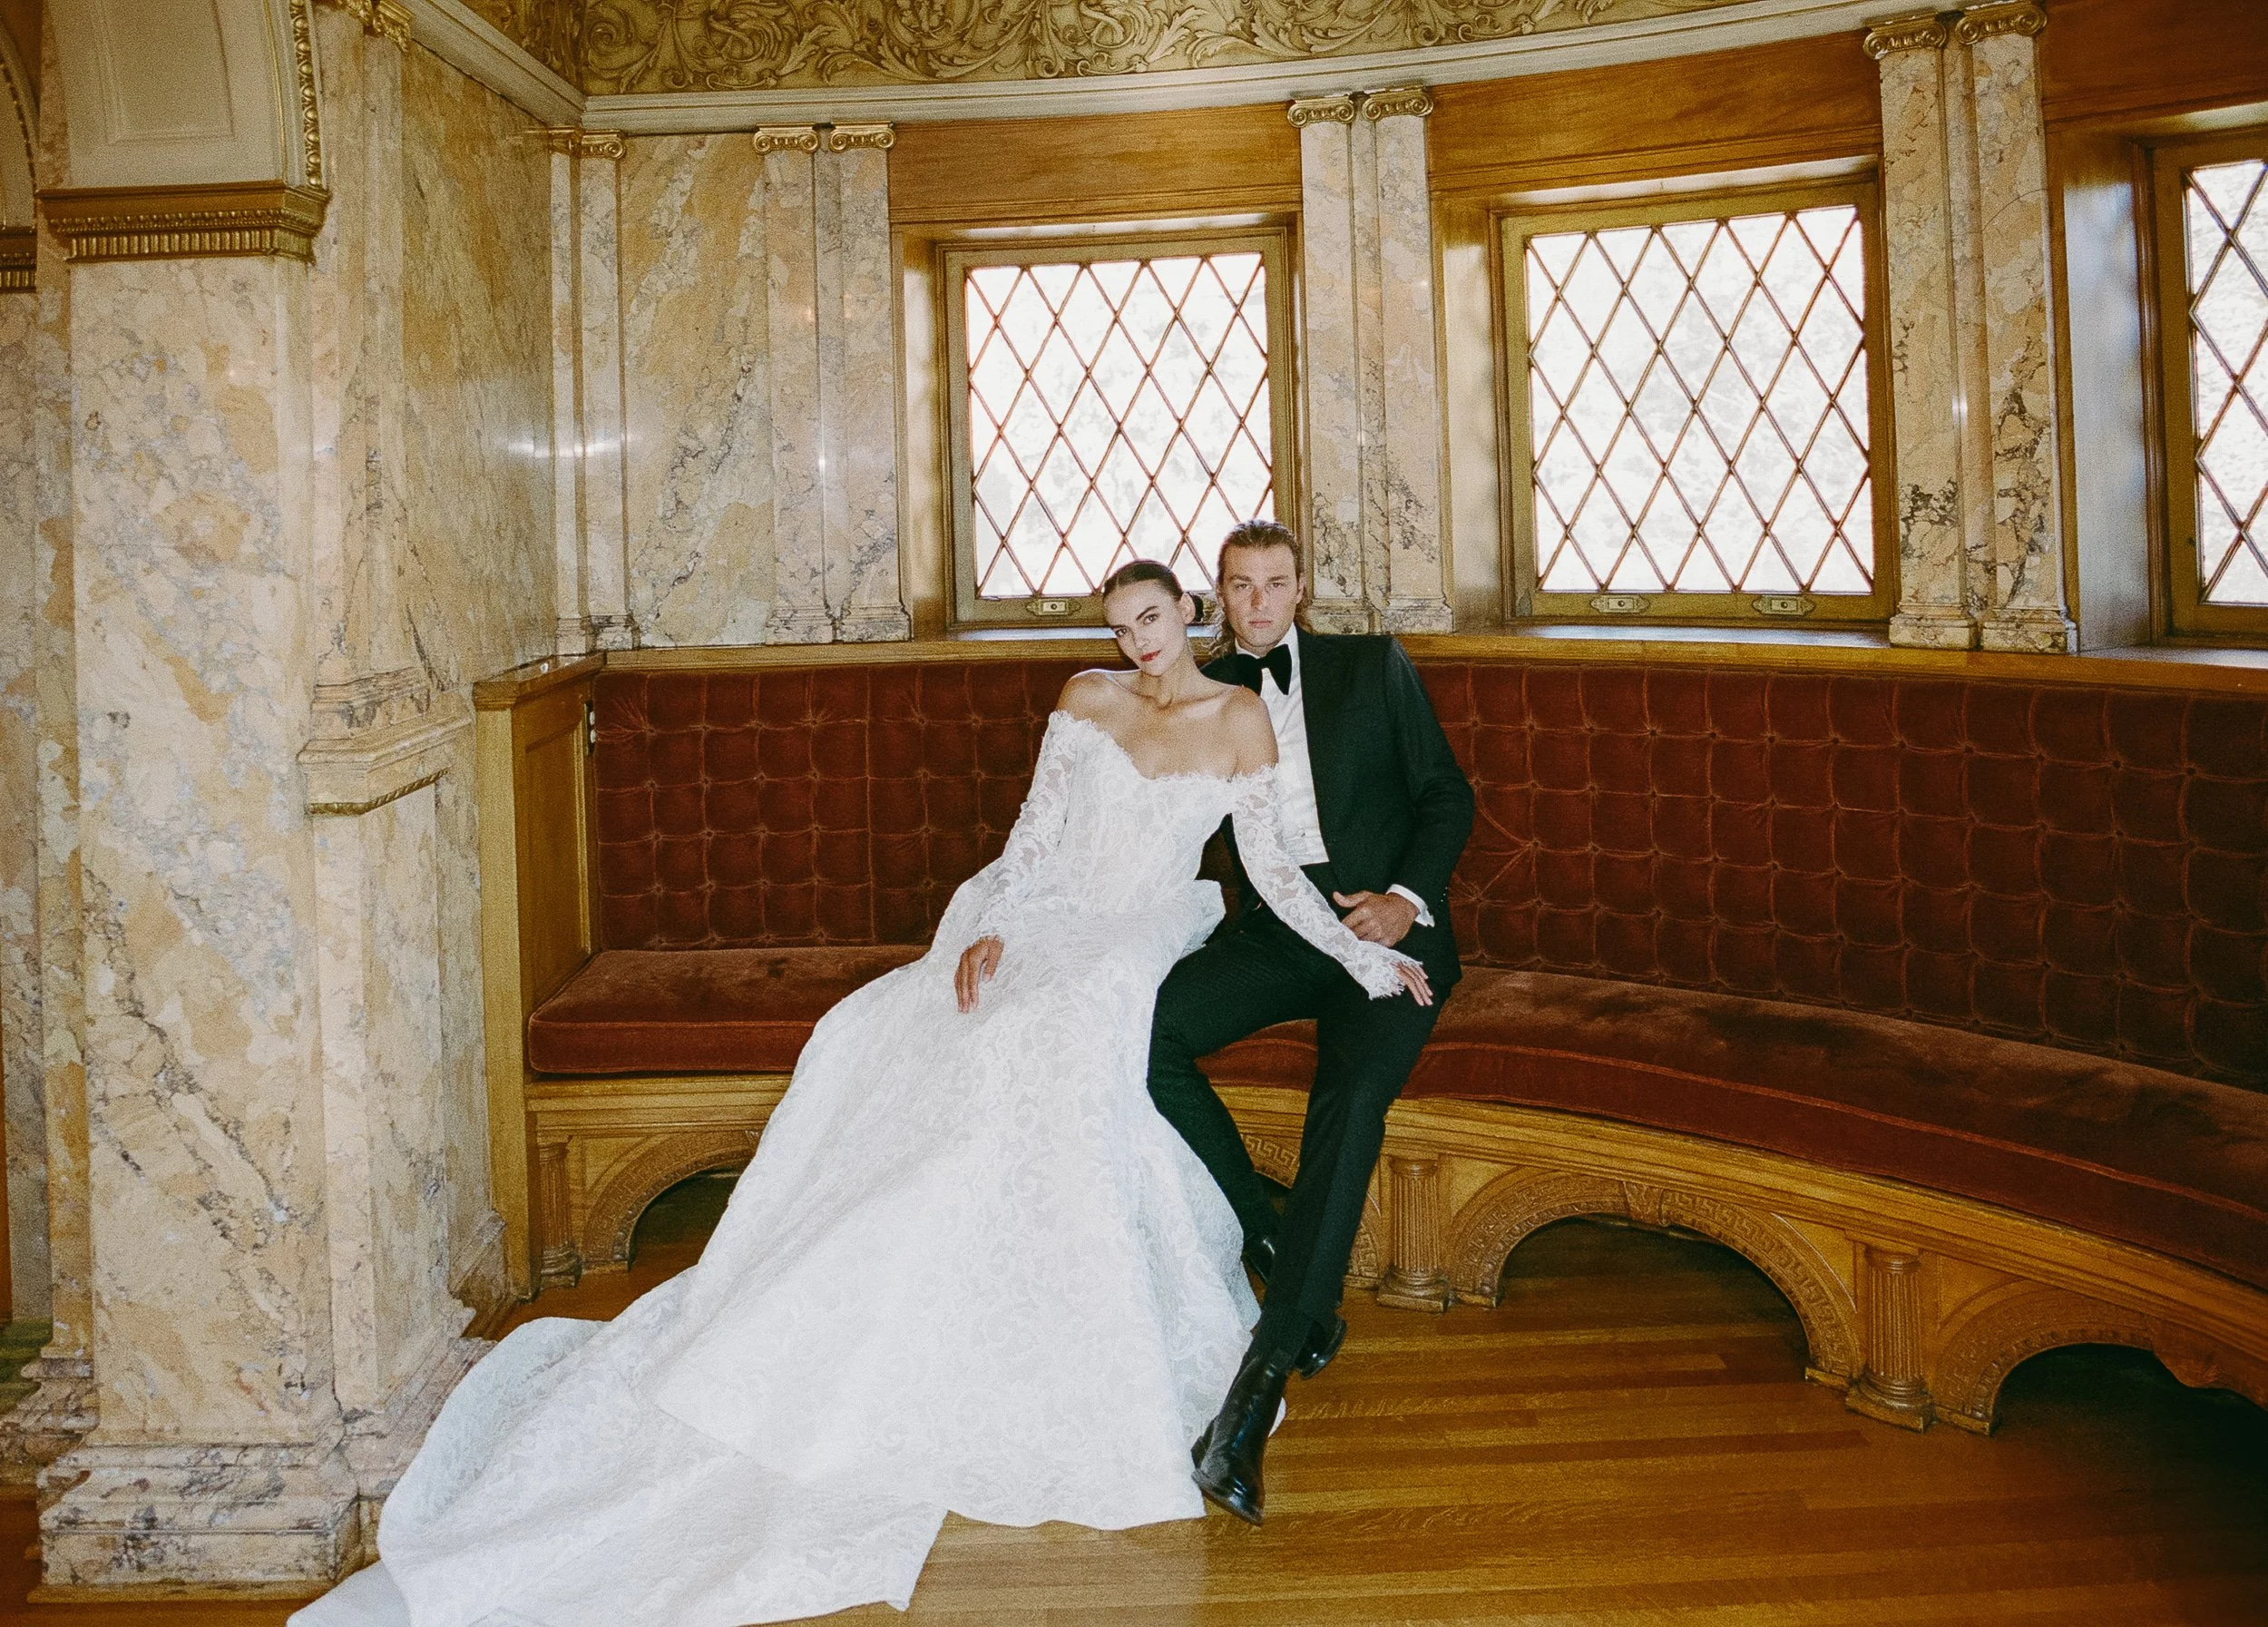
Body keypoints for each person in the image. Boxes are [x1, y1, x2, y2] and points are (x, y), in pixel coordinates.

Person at [290, 559, 1427, 1627]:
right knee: (891, 1027)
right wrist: (987, 930)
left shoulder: (1239, 719)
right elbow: (1032, 843)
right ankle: (866, 1257)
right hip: (1044, 913)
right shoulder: (1084, 701)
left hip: (1135, 928)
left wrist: (1372, 954)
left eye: (1153, 617)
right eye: (1119, 624)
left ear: (1192, 615)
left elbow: (1274, 866)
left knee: (1062, 1029)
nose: (1136, 642)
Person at [1150, 519, 1475, 1525]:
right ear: (1219, 595)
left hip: (1384, 932)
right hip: (1280, 935)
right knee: (1142, 1028)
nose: (1258, 603)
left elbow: (1447, 796)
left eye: (1275, 584)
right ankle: (1269, 1221)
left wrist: (1405, 901)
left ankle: (1254, 1394)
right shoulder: (1196, 695)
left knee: (1351, 1096)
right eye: (1239, 587)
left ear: (1301, 590)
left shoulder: (1371, 665)